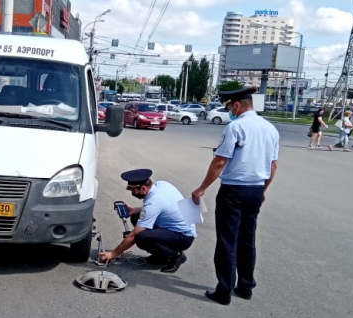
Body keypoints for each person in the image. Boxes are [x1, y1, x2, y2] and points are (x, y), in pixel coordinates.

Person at [191, 87, 279, 306]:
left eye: (230, 107)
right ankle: (246, 286)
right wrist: (263, 190)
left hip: (233, 191)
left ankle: (224, 290)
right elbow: (273, 165)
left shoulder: (236, 127)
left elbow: (220, 161)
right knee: (247, 240)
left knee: (227, 241)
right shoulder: (270, 129)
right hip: (255, 190)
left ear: (238, 105)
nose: (230, 111)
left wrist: (201, 188)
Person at [99, 169, 196, 273]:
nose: (132, 192)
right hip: (182, 227)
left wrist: (113, 254)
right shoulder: (161, 185)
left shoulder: (153, 202)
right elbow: (163, 207)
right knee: (136, 216)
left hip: (183, 237)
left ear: (143, 188)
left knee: (141, 237)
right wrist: (135, 210)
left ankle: (175, 256)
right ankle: (160, 255)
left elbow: (133, 235)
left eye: (133, 190)